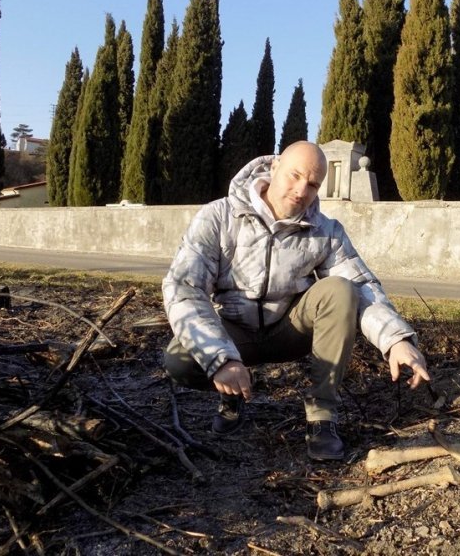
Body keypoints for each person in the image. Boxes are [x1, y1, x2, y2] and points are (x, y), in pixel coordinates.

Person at [162, 141, 429, 461]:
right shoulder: (219, 216)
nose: (302, 190)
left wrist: (396, 340)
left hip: (289, 330)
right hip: (235, 333)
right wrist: (221, 358)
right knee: (178, 359)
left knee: (341, 289)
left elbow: (362, 286)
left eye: (313, 183)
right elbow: (185, 288)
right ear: (273, 168)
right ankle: (232, 392)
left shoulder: (326, 231)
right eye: (295, 175)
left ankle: (322, 416)